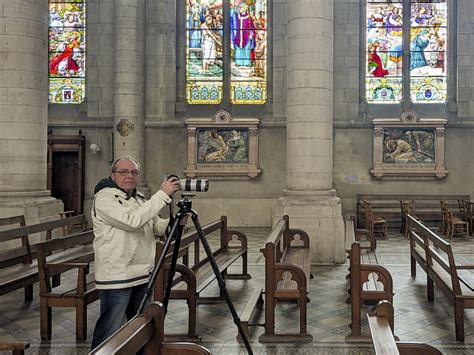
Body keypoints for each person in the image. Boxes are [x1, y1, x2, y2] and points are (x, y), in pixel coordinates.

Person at [90, 156, 183, 350]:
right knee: (110, 329)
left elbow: (155, 227)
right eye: (123, 172)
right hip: (118, 274)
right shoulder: (105, 198)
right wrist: (162, 195)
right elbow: (132, 221)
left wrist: (175, 221)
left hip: (141, 272)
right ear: (113, 175)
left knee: (139, 328)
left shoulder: (138, 198)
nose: (129, 176)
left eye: (134, 172)